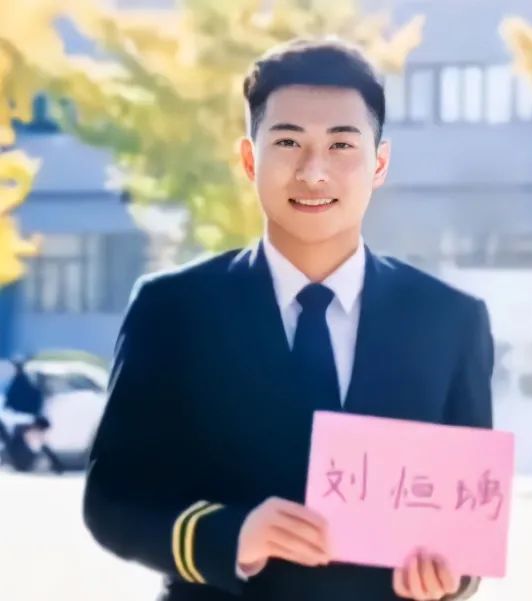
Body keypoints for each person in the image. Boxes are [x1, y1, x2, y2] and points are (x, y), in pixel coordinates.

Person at [83, 39, 493, 601]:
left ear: (379, 163)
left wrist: (449, 577)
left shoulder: (450, 321)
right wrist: (229, 536)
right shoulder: (173, 308)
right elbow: (112, 497)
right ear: (250, 160)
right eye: (287, 142)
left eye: (341, 144)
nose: (314, 171)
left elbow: (469, 520)